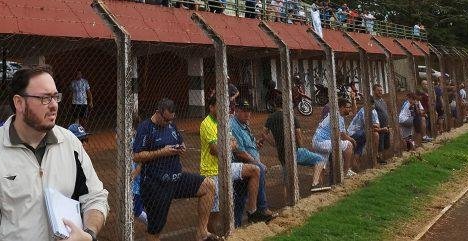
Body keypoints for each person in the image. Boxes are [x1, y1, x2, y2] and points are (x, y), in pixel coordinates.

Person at [0, 64, 108, 241]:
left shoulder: (70, 144)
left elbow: (95, 197)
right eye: (44, 98)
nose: (53, 106)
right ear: (19, 103)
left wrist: (88, 234)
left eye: (55, 97)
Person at [132, 97, 217, 241]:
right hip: (156, 184)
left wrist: (181, 147)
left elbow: (179, 141)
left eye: (171, 119)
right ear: (158, 113)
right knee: (155, 229)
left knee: (208, 186)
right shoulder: (145, 128)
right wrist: (161, 152)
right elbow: (137, 156)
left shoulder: (171, 125)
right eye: (166, 120)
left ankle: (202, 233)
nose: (169, 123)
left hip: (176, 179)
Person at [199, 97, 264, 230]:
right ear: (211, 107)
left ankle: (252, 212)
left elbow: (233, 143)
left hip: (227, 166)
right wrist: (229, 145)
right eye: (219, 106)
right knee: (215, 213)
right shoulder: (207, 124)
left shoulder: (223, 122)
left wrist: (227, 145)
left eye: (225, 106)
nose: (224, 109)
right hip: (212, 171)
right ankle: (210, 235)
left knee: (255, 170)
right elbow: (216, 150)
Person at [262, 103, 327, 191]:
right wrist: (300, 147)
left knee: (288, 182)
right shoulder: (291, 116)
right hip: (295, 151)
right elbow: (298, 135)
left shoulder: (271, 118)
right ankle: (315, 185)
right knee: (320, 160)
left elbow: (264, 134)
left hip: (282, 154)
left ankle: (288, 202)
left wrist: (274, 144)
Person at [311, 97, 356, 178]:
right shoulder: (338, 116)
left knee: (320, 165)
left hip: (317, 141)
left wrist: (353, 99)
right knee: (348, 145)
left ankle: (317, 186)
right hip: (323, 142)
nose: (349, 109)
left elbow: (353, 113)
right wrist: (351, 140)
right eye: (348, 107)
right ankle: (345, 173)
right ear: (342, 107)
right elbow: (342, 135)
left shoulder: (334, 114)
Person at [371, 84, 392, 153]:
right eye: (378, 91)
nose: (380, 92)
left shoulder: (382, 101)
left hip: (386, 126)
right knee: (380, 144)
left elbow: (385, 112)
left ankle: (384, 159)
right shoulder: (373, 102)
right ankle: (379, 159)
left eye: (381, 90)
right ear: (374, 91)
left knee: (387, 145)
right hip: (379, 127)